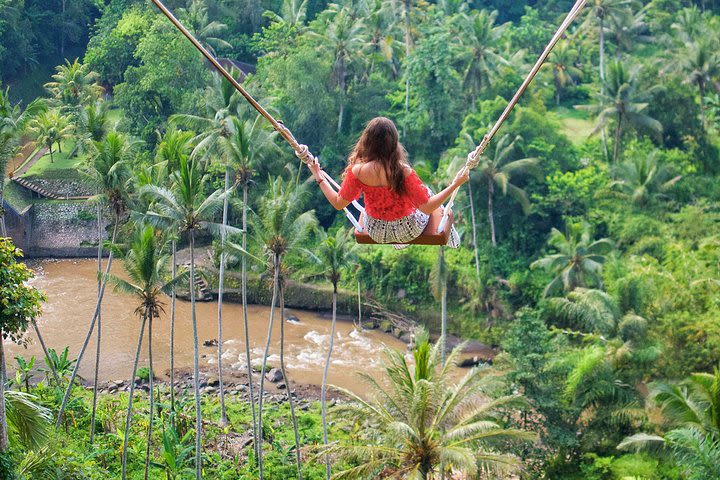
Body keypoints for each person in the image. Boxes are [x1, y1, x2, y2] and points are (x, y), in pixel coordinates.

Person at [308, 117, 468, 248]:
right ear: (394, 143)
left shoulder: (357, 171)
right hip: (408, 230)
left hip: (375, 231)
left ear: (367, 141)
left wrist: (318, 175)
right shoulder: (403, 171)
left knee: (422, 197)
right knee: (428, 194)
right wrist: (455, 184)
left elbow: (338, 203)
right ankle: (451, 235)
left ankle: (399, 241)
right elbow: (427, 208)